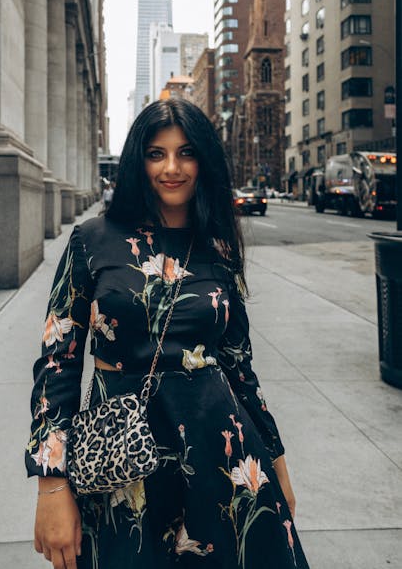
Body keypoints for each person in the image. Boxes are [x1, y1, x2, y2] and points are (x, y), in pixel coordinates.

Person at [26, 99, 310, 569]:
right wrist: (50, 482)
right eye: (157, 154)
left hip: (220, 455)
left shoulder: (219, 246)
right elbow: (57, 363)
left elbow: (239, 366)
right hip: (123, 462)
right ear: (138, 160)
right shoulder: (92, 240)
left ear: (205, 162)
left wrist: (276, 462)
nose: (172, 168)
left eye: (186, 153)